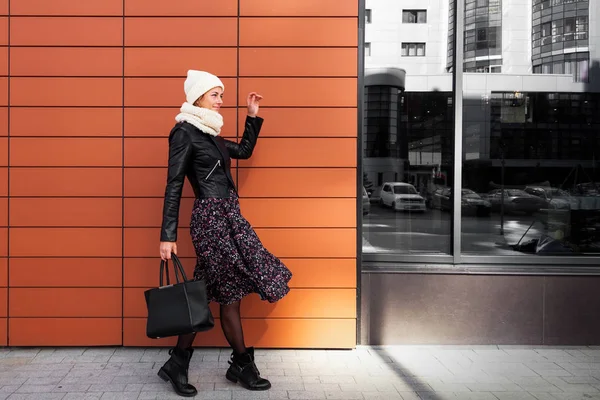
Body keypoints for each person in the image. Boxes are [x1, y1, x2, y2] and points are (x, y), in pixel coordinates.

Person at [157, 70, 292, 397]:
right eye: (215, 95)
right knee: (217, 291)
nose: (221, 101)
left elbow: (243, 151)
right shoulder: (184, 133)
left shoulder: (211, 135)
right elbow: (174, 185)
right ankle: (237, 364)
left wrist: (252, 117)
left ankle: (202, 363)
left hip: (230, 216)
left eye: (221, 94)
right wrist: (167, 235)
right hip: (210, 219)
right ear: (199, 97)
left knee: (225, 290)